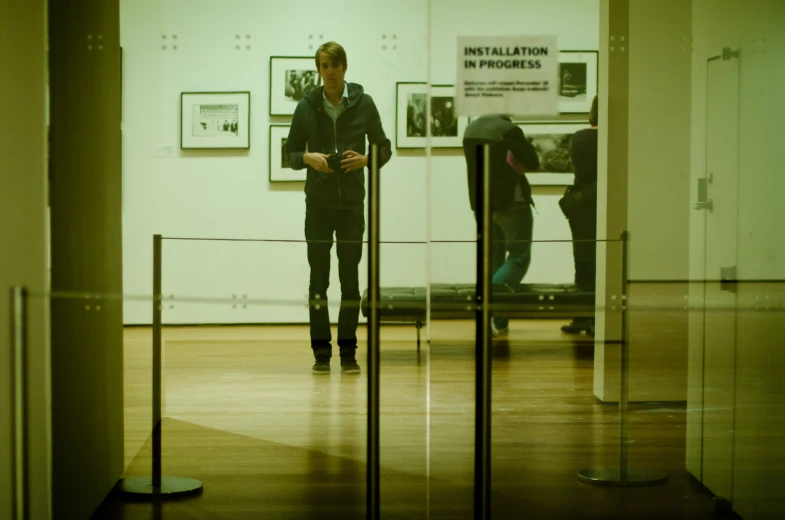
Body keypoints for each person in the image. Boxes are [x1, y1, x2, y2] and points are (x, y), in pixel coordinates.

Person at [286, 42, 392, 375]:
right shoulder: (306, 106)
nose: (329, 72)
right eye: (323, 66)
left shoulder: (365, 104)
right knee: (318, 281)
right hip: (317, 207)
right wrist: (307, 158)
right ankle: (320, 351)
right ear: (318, 70)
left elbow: (384, 148)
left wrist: (368, 159)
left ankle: (348, 350)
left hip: (351, 207)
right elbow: (288, 154)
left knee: (350, 281)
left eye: (334, 65)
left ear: (344, 67)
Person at [463, 115, 540, 338]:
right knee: (518, 258)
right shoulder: (508, 130)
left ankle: (499, 321)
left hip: (481, 204)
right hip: (510, 204)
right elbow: (533, 161)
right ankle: (486, 308)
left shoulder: (471, 128)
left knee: (495, 260)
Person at [559, 95, 598, 335]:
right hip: (607, 202)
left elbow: (578, 170)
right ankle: (601, 319)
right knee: (608, 260)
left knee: (583, 261)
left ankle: (583, 317)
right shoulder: (616, 138)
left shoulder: (581, 137)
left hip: (583, 205)